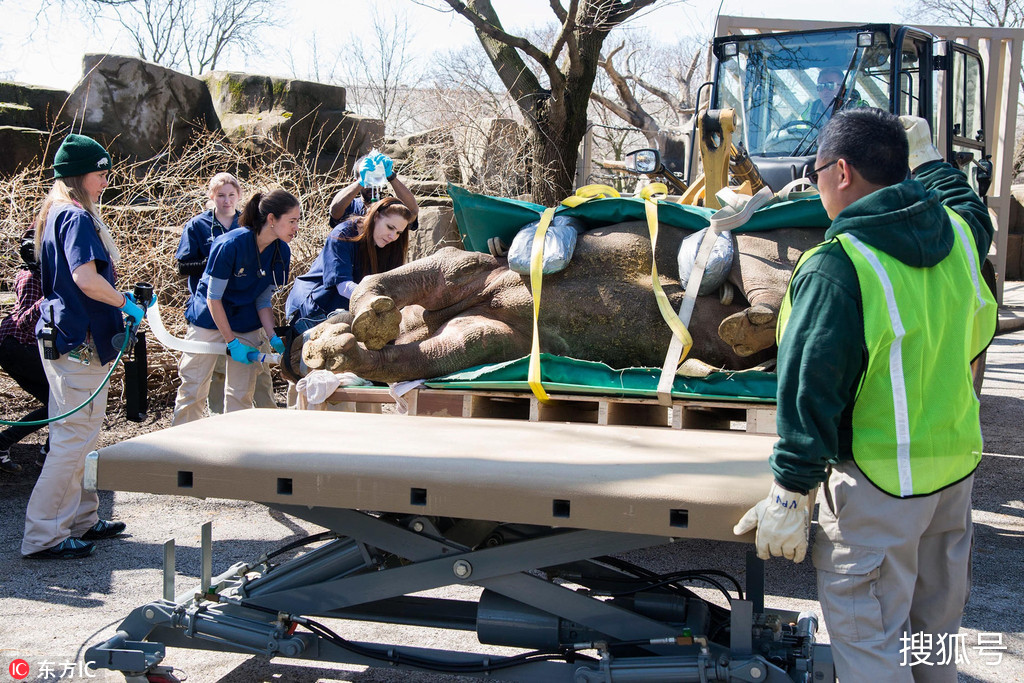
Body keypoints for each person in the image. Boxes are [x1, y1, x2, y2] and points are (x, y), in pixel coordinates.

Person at [733, 109, 995, 682]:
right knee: (931, 639)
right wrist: (931, 161)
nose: (816, 184)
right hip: (951, 478)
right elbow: (977, 213)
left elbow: (811, 386)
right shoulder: (955, 235)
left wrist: (790, 489)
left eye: (817, 170)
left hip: (879, 488)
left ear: (842, 172)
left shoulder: (839, 265)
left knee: (870, 644)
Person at [24, 133, 142, 560]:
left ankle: (81, 519)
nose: (107, 178)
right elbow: (86, 279)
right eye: (101, 170)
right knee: (72, 439)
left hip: (73, 339)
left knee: (84, 436)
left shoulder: (56, 212)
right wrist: (125, 302)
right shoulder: (74, 217)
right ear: (79, 176)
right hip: (78, 342)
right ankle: (43, 535)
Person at [171, 189, 299, 426]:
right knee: (193, 389)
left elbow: (262, 300)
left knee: (241, 394)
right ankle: (179, 450)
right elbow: (213, 298)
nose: (296, 228)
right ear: (271, 219)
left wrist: (273, 336)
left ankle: (233, 451)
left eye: (297, 221)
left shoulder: (282, 250)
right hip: (209, 319)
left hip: (246, 321)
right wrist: (230, 341)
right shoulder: (230, 244)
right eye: (291, 221)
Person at [286, 196, 416, 334]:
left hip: (346, 311)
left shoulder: (389, 246)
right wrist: (376, 300)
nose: (393, 236)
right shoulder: (343, 234)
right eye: (390, 227)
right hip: (313, 308)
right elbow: (343, 286)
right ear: (376, 216)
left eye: (398, 233)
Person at [0, 232, 49, 474]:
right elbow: (23, 322)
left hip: (20, 347)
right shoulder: (32, 277)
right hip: (17, 348)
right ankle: (48, 455)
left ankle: (46, 454)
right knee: (62, 400)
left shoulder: (39, 274)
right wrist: (47, 301)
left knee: (58, 403)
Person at [327, 151, 419, 228]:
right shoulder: (350, 205)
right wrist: (362, 181)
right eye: (368, 181)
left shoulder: (389, 206)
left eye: (376, 179)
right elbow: (334, 211)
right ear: (356, 181)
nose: (371, 186)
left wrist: (391, 176)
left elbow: (412, 212)